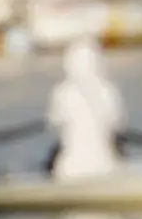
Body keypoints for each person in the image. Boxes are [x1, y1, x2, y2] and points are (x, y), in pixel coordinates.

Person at [46, 38, 123, 178]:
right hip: (107, 168)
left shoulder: (62, 92)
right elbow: (117, 126)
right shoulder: (109, 91)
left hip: (71, 171)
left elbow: (54, 125)